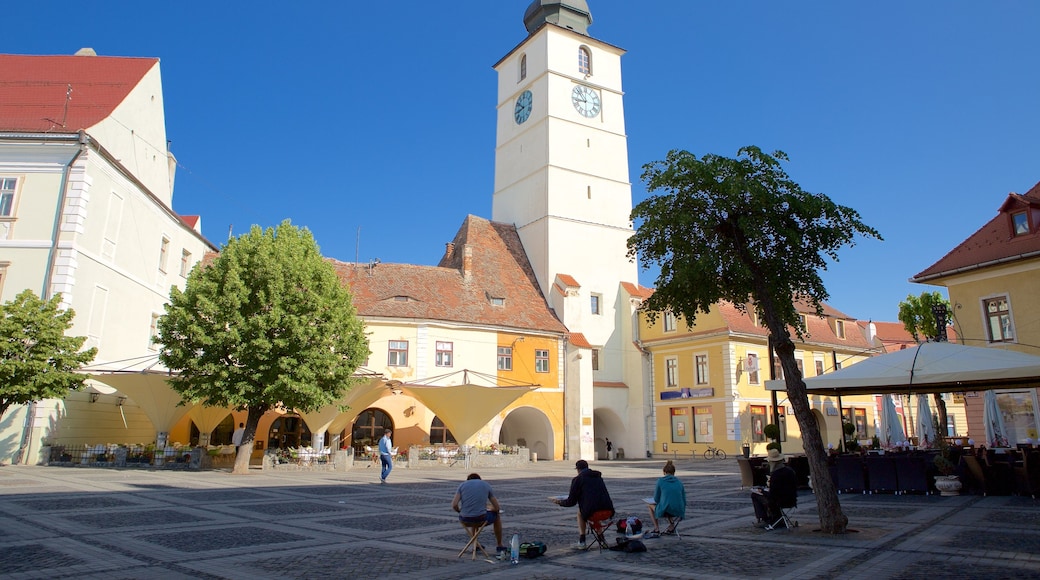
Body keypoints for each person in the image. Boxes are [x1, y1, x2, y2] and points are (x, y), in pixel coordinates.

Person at [552, 459, 614, 549]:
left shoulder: (578, 479)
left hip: (593, 512)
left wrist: (559, 502)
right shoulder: (598, 477)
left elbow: (571, 502)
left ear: (578, 470)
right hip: (608, 510)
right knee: (594, 510)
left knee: (581, 513)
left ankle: (582, 540)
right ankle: (602, 539)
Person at [452, 473, 507, 557]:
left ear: (468, 479)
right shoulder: (485, 485)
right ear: (479, 479)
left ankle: (476, 544)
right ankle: (499, 544)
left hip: (465, 520)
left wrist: (460, 511)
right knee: (497, 516)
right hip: (481, 519)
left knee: (474, 517)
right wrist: (493, 509)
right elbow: (497, 507)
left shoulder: (462, 485)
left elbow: (454, 505)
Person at [751, 448, 797, 528]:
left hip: (779, 501)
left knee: (754, 495)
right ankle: (777, 518)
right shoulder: (790, 471)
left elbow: (773, 494)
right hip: (792, 499)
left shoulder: (776, 475)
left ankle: (764, 519)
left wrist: (762, 491)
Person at [644, 460, 686, 538]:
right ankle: (672, 526)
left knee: (650, 505)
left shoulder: (660, 481)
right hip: (679, 511)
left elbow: (656, 499)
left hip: (667, 510)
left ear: (664, 472)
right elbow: (684, 499)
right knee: (669, 504)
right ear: (674, 473)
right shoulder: (679, 482)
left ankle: (656, 528)